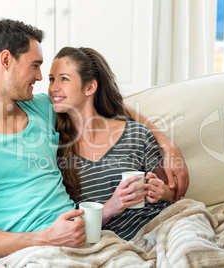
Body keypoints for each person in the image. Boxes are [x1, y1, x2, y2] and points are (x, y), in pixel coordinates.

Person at [0, 19, 188, 267]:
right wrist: (44, 239)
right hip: (30, 256)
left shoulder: (41, 109)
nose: (39, 77)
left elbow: (111, 106)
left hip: (83, 242)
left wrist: (165, 142)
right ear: (5, 60)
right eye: (35, 66)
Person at [49, 47, 175, 240]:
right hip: (113, 241)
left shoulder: (136, 133)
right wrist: (110, 207)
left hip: (161, 229)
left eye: (64, 79)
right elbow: (71, 227)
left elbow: (171, 193)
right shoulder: (56, 149)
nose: (53, 88)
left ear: (90, 87)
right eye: (51, 79)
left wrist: (160, 191)